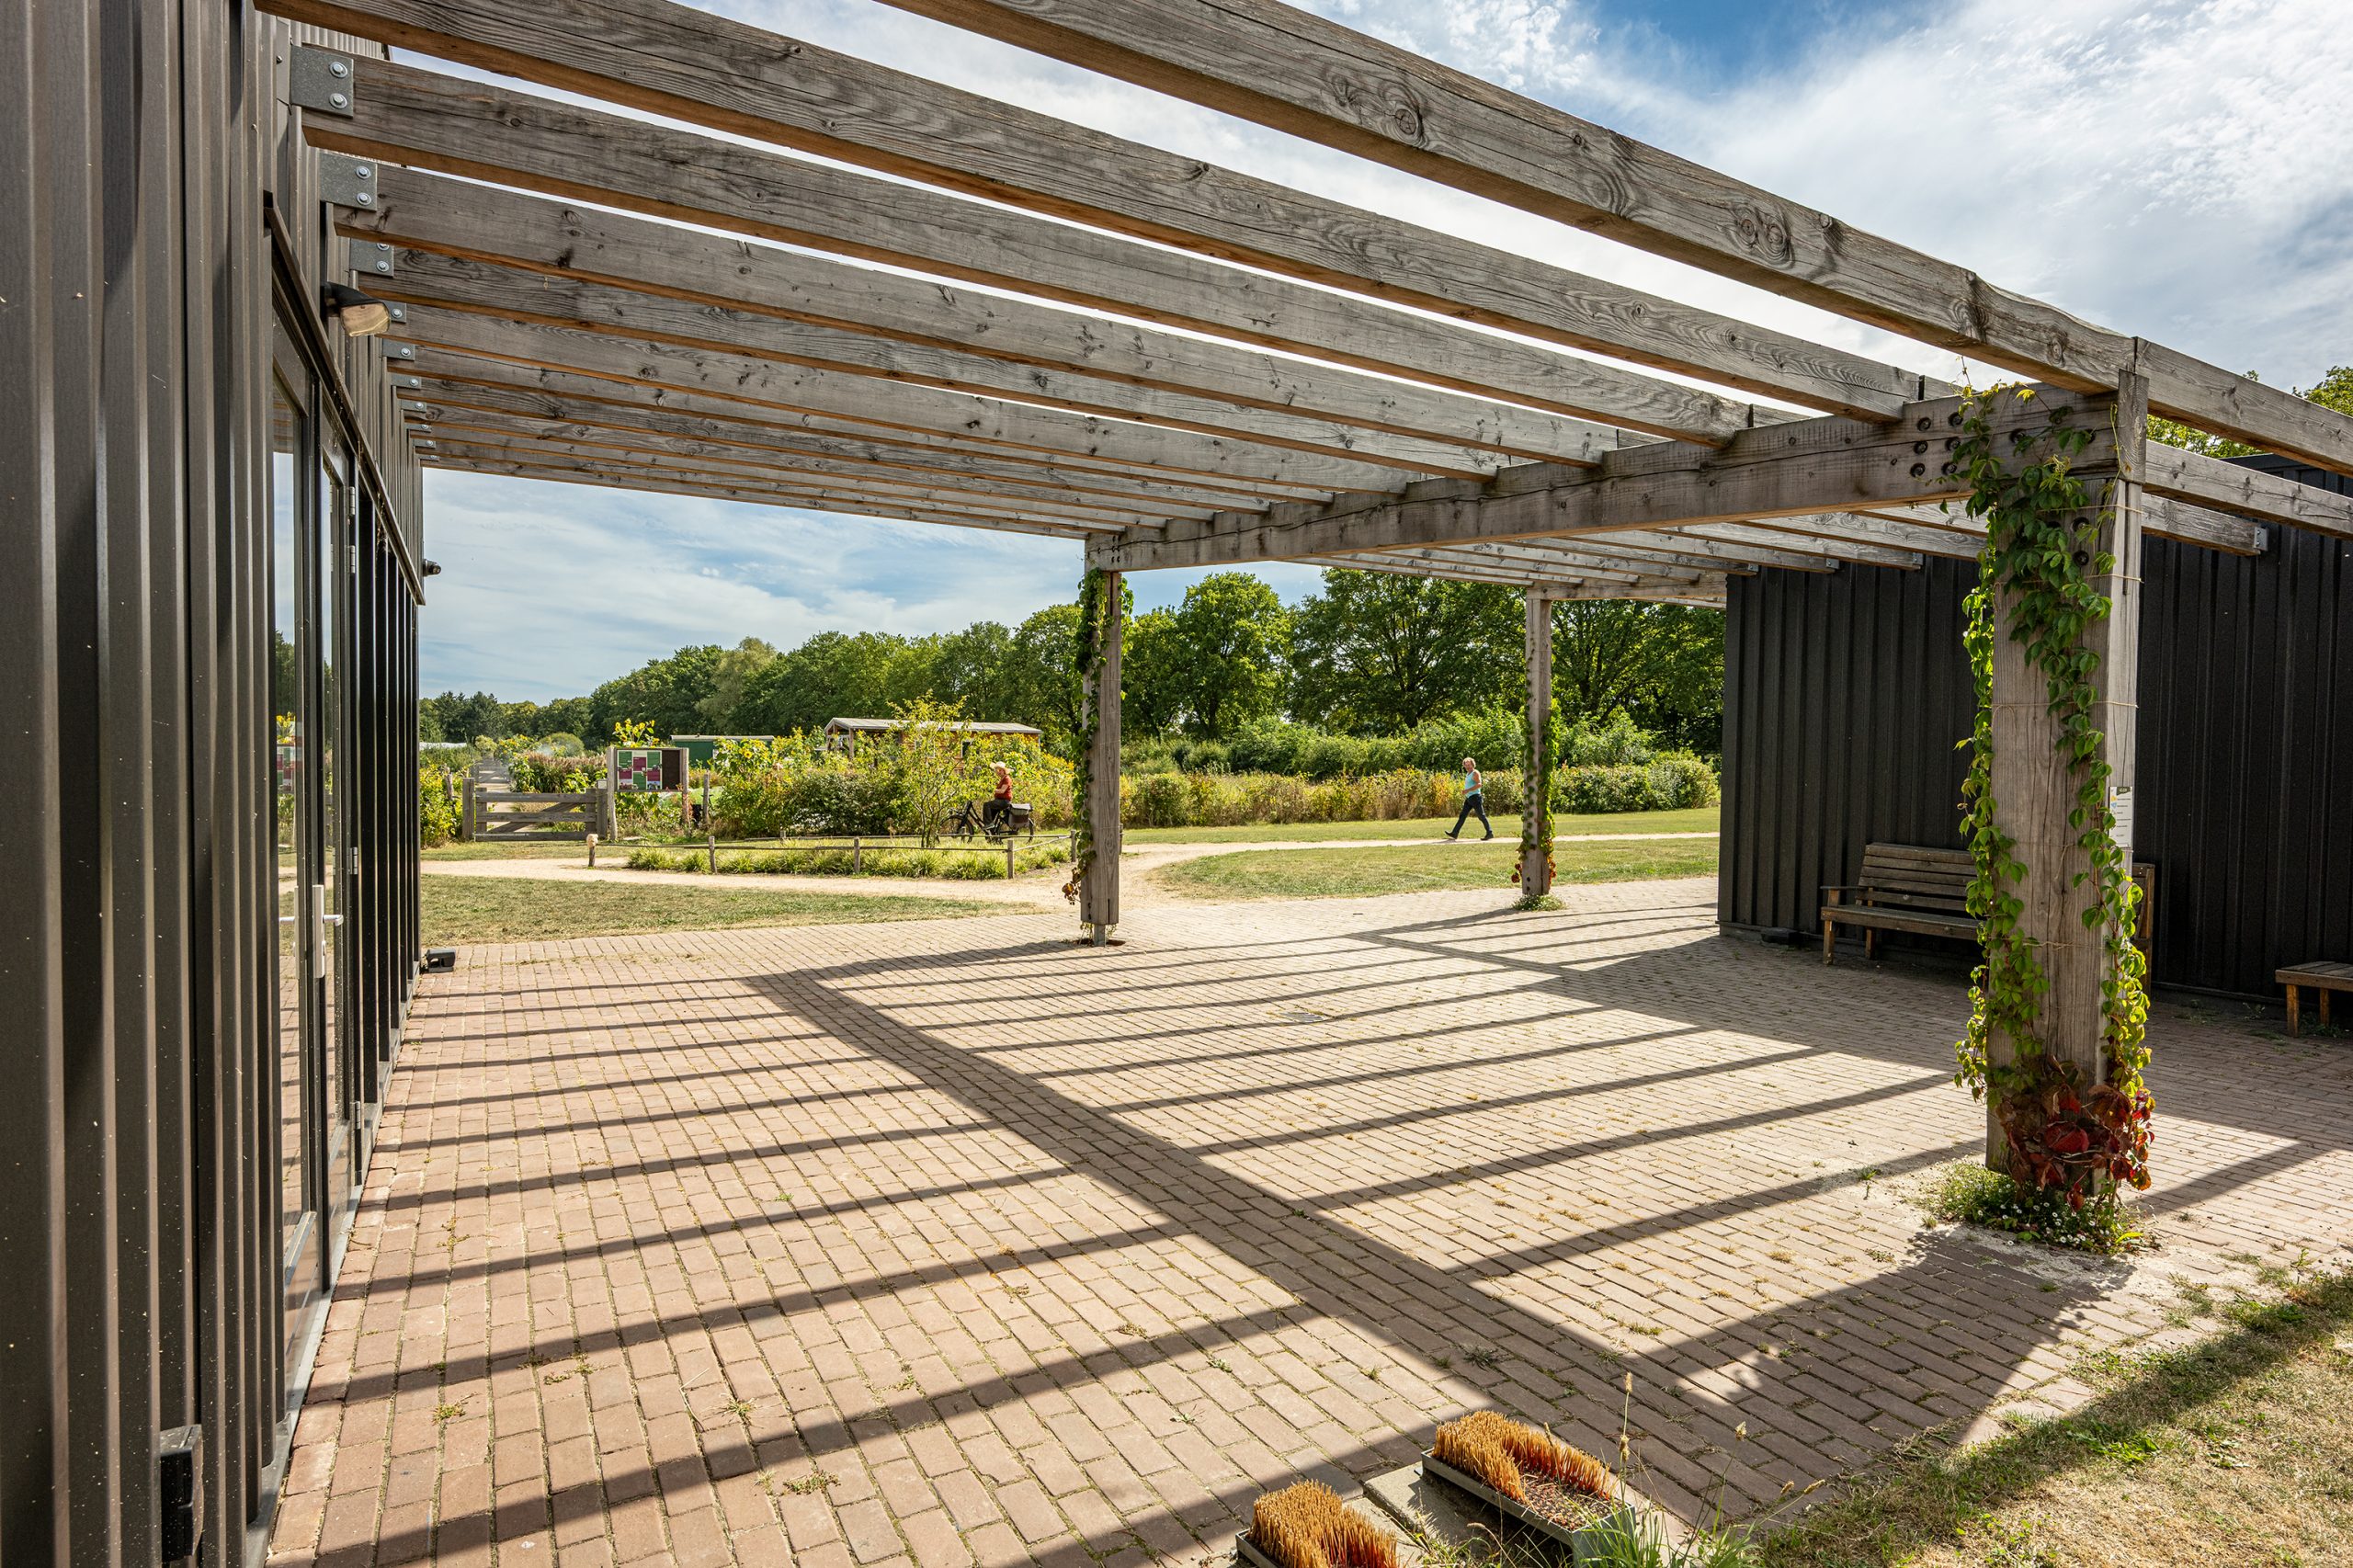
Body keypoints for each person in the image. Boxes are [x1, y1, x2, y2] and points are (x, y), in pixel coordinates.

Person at [1446, 756, 1493, 840]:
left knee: (1481, 816)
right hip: (1469, 798)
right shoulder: (1468, 774)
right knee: (1462, 815)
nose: (1467, 766)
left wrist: (1467, 790)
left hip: (1475, 797)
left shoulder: (1475, 773)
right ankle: (1455, 833)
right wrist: (1467, 792)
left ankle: (1489, 833)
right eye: (1466, 765)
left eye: (1469, 765)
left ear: (1473, 765)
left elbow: (1479, 784)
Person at [984, 761, 1015, 832]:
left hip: (1004, 802)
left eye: (1000, 770)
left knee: (986, 805)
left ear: (1004, 771)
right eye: (997, 770)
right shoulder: (1001, 779)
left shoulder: (1007, 778)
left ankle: (988, 824)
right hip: (999, 801)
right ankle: (991, 835)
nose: (998, 772)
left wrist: (992, 789)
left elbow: (1002, 791)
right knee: (991, 817)